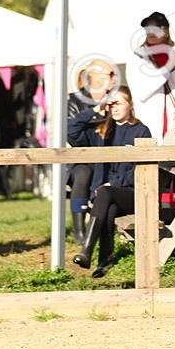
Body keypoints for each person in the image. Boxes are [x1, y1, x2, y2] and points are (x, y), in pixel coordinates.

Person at [68, 86, 152, 277]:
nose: (114, 108)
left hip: (132, 194)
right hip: (105, 197)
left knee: (105, 193)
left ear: (130, 105)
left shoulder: (141, 131)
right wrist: (95, 110)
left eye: (118, 103)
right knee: (109, 207)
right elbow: (71, 131)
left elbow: (141, 170)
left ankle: (86, 250)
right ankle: (104, 261)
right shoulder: (101, 130)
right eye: (111, 104)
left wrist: (114, 183)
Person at [67, 59, 116, 245]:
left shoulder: (116, 99)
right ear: (94, 78)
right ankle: (80, 231)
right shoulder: (74, 101)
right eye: (110, 75)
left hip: (109, 158)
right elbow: (72, 135)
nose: (114, 79)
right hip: (81, 159)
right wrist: (96, 112)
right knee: (82, 172)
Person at [127, 11, 175, 144]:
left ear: (166, 32)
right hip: (147, 127)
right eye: (148, 28)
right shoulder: (138, 57)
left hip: (174, 127)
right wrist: (167, 69)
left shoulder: (174, 57)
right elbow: (141, 92)